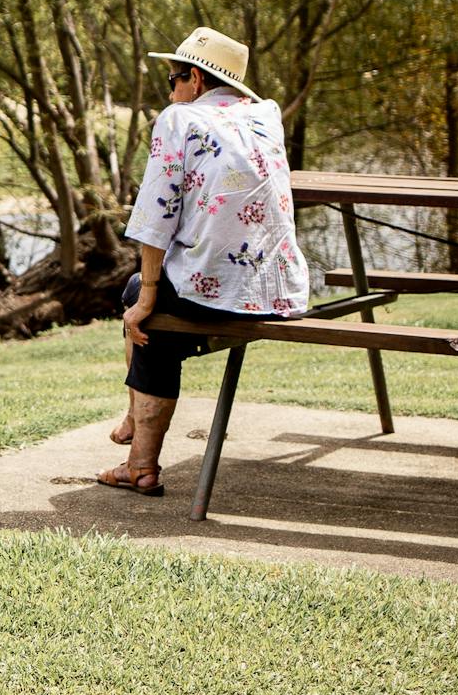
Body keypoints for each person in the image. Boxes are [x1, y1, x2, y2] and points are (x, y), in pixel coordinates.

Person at [97, 26, 309, 497]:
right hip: (280, 294)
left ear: (195, 78)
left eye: (172, 79)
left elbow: (155, 216)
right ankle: (137, 436)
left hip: (219, 297)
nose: (171, 91)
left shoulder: (179, 120)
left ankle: (141, 459)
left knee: (141, 300)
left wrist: (148, 291)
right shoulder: (266, 117)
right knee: (156, 310)